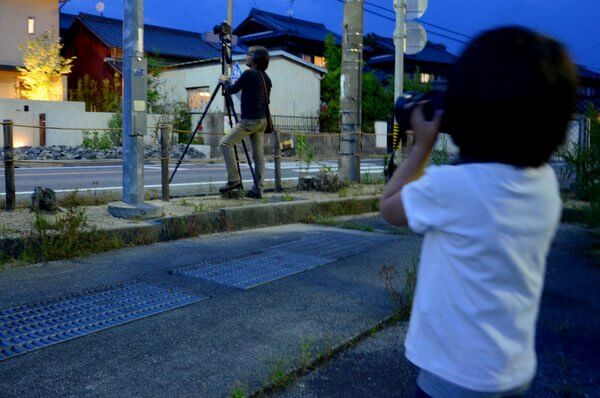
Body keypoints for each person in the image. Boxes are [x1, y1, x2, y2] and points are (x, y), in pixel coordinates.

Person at [380, 26, 578, 397]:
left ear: (470, 111)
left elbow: (389, 208)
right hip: (511, 371)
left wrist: (421, 148)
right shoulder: (545, 186)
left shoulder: (452, 187)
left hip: (452, 376)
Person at [218, 46, 272, 199]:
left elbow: (232, 89)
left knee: (225, 143)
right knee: (258, 156)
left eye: (249, 55)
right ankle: (258, 189)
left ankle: (234, 180)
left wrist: (224, 81)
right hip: (262, 120)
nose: (247, 57)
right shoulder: (265, 77)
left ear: (254, 59)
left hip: (250, 120)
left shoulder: (249, 74)